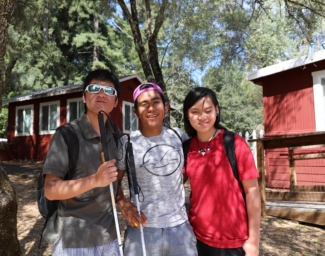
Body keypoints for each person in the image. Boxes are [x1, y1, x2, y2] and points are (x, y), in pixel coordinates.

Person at [43, 69, 122, 255]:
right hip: (73, 240)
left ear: (116, 102)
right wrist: (95, 180)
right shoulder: (67, 135)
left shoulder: (117, 136)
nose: (102, 94)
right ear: (84, 97)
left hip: (110, 237)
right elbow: (51, 189)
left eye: (109, 91)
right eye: (94, 88)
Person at [116, 83, 198, 256]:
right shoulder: (127, 143)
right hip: (142, 231)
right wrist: (122, 202)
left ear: (166, 107)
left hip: (180, 230)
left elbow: (184, 173)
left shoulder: (179, 136)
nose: (151, 108)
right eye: (144, 104)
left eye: (156, 102)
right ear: (136, 112)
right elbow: (112, 184)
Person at [182, 87, 261, 256]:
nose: (202, 117)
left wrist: (253, 241)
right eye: (195, 112)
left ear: (217, 110)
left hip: (232, 242)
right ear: (187, 115)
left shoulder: (235, 143)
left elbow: (252, 192)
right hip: (195, 238)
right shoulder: (186, 149)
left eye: (208, 110)